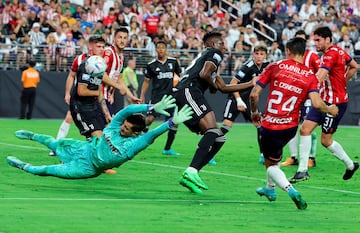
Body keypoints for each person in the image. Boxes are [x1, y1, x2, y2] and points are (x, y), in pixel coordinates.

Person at [7, 96, 193, 179]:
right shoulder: (115, 126)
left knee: (48, 170)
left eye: (127, 128)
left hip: (87, 167)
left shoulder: (134, 145)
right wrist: (151, 108)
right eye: (124, 124)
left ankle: (23, 166)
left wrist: (171, 122)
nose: (122, 128)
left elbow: (151, 135)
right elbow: (127, 110)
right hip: (83, 149)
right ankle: (33, 136)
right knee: (53, 143)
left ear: (135, 133)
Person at [250, 37, 339, 209]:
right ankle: (270, 189)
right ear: (304, 53)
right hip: (290, 128)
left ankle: (292, 191)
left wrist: (254, 112)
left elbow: (254, 94)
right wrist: (330, 109)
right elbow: (316, 103)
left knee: (271, 166)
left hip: (270, 126)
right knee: (274, 157)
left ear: (288, 51)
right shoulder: (310, 76)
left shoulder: (275, 66)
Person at [173, 31, 255, 194]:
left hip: (189, 92)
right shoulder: (214, 53)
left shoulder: (208, 58)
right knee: (212, 131)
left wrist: (250, 83)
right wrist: (210, 83)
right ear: (211, 45)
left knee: (219, 137)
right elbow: (205, 74)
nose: (224, 47)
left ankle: (193, 172)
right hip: (188, 90)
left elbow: (223, 88)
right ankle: (191, 171)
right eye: (221, 43)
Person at [289, 26, 359, 183]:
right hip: (323, 100)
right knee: (305, 130)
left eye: (318, 40)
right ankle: (302, 170)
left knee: (325, 141)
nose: (315, 43)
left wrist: (297, 86)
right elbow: (355, 66)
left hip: (335, 104)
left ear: (328, 39)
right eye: (314, 40)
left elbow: (319, 77)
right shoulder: (339, 51)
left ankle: (350, 164)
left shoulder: (330, 54)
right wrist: (343, 81)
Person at [220, 45, 269, 164]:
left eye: (261, 54)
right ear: (253, 55)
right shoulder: (247, 67)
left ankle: (263, 155)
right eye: (256, 54)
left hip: (249, 101)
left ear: (265, 56)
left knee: (260, 126)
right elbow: (232, 83)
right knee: (226, 126)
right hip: (235, 98)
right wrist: (238, 100)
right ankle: (208, 147)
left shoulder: (266, 67)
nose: (259, 56)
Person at [281, 29, 320, 168]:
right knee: (291, 126)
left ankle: (311, 158)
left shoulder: (313, 57)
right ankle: (293, 157)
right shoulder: (290, 57)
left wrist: (314, 89)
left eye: (302, 40)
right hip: (294, 97)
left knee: (307, 127)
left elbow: (322, 74)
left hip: (308, 97)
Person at [140, 40, 182, 156]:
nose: (161, 50)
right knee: (149, 120)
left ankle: (167, 149)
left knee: (175, 122)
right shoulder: (151, 65)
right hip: (156, 98)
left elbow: (179, 77)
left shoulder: (173, 62)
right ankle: (139, 141)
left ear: (166, 49)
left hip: (170, 98)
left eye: (163, 47)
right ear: (156, 50)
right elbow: (146, 81)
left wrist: (178, 88)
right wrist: (142, 95)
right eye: (158, 48)